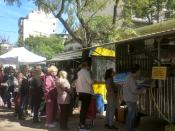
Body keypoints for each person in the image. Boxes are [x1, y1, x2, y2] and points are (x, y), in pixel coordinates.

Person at [123, 64, 146, 131]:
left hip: (130, 98)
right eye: (139, 71)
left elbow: (133, 88)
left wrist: (139, 87)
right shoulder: (131, 78)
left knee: (133, 114)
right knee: (131, 116)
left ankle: (130, 128)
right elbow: (134, 90)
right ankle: (129, 129)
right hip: (130, 99)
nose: (140, 72)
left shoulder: (130, 77)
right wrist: (142, 90)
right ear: (137, 71)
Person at [76, 60, 93, 129]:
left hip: (80, 92)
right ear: (87, 66)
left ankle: (80, 123)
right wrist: (93, 80)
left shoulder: (79, 72)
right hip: (86, 92)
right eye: (89, 66)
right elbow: (90, 82)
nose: (89, 67)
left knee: (82, 108)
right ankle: (82, 124)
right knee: (84, 109)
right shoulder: (86, 72)